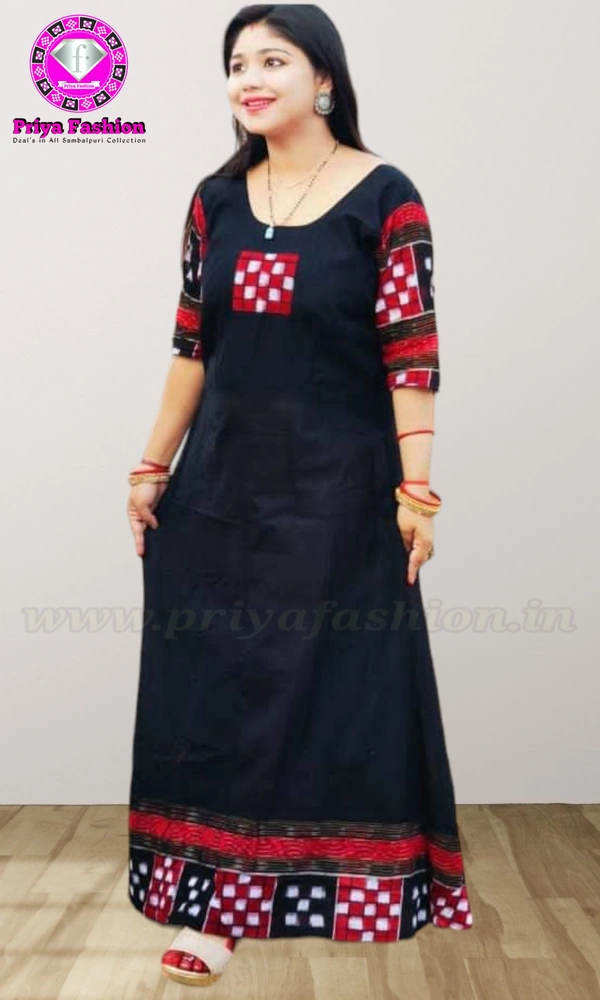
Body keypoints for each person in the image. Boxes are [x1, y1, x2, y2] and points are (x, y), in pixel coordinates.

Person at [126, 4, 473, 988]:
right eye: (237, 62)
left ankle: (349, 892)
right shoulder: (215, 201)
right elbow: (192, 347)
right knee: (216, 694)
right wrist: (151, 466)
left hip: (341, 493)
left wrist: (418, 490)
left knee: (334, 692)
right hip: (222, 491)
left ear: (324, 77)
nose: (249, 77)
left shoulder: (386, 198)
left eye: (272, 59)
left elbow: (412, 354)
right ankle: (214, 910)